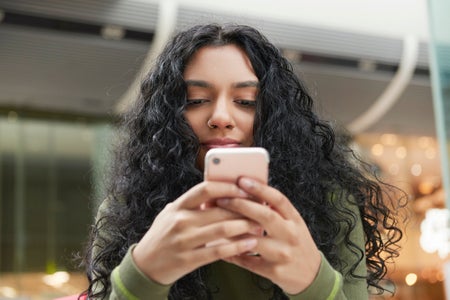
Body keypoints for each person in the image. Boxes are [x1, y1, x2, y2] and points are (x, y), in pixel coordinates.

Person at [83, 23, 405, 299]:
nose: (221, 117)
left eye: (245, 101)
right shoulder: (126, 209)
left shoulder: (330, 202)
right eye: (196, 100)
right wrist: (143, 276)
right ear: (168, 115)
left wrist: (313, 282)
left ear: (273, 115)